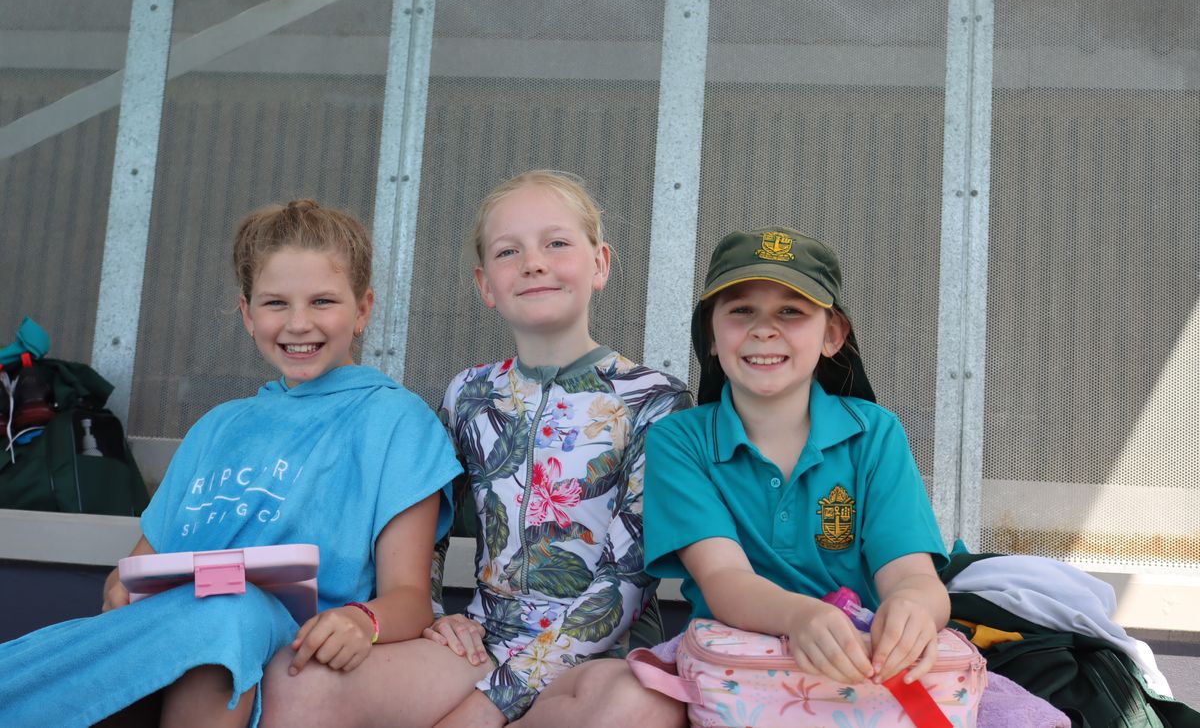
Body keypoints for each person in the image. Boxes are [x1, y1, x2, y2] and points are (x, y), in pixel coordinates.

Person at [0, 200, 461, 728]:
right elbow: (137, 570)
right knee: (39, 662)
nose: (298, 323)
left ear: (362, 310)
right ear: (247, 314)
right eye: (275, 303)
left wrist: (363, 621)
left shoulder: (397, 422)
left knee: (231, 609)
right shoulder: (217, 427)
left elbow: (410, 599)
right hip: (169, 642)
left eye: (323, 301)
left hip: (282, 647)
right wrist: (120, 587)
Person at [260, 171, 691, 728]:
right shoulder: (469, 395)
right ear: (486, 284)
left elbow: (625, 582)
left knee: (640, 706)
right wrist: (436, 614)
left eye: (557, 243)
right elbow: (427, 531)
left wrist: (489, 705)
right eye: (509, 251)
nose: (533, 263)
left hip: (599, 660)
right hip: (481, 643)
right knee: (301, 678)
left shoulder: (653, 400)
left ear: (599, 264)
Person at [636, 226, 951, 722]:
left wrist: (914, 608)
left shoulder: (875, 433)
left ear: (832, 335)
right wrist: (800, 616)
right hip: (733, 675)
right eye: (741, 310)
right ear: (711, 335)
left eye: (791, 311)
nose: (764, 330)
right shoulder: (679, 440)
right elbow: (723, 577)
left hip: (860, 673)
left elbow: (913, 575)